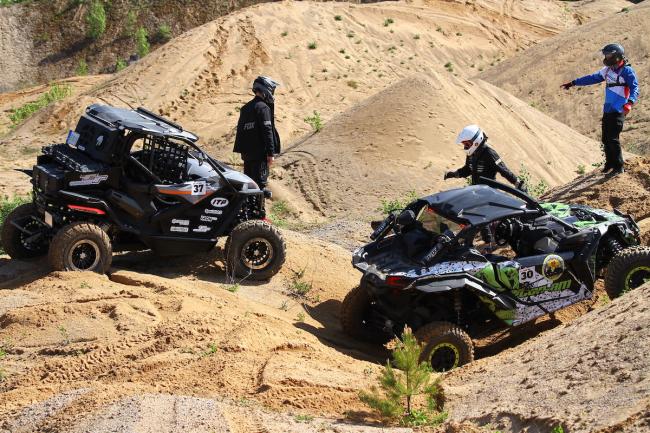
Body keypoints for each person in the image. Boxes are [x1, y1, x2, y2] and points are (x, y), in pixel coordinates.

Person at [561, 43, 640, 176]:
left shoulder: (627, 71)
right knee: (605, 138)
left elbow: (635, 88)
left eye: (608, 55)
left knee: (613, 138)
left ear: (616, 56)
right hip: (608, 109)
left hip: (619, 109)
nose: (606, 57)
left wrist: (630, 103)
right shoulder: (607, 70)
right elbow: (592, 78)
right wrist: (573, 83)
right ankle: (609, 164)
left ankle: (619, 167)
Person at [233, 76, 281, 194]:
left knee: (249, 186)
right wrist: (270, 153)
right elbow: (267, 130)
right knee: (259, 188)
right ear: (266, 89)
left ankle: (247, 211)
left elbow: (241, 131)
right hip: (260, 155)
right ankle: (259, 212)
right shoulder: (263, 107)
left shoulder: (245, 108)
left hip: (247, 155)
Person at [444, 124, 526, 191]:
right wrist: (455, 174)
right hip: (475, 190)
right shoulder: (472, 153)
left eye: (466, 144)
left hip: (489, 193)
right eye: (464, 144)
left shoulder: (489, 152)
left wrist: (518, 183)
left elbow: (503, 170)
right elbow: (468, 169)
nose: (465, 146)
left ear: (476, 141)